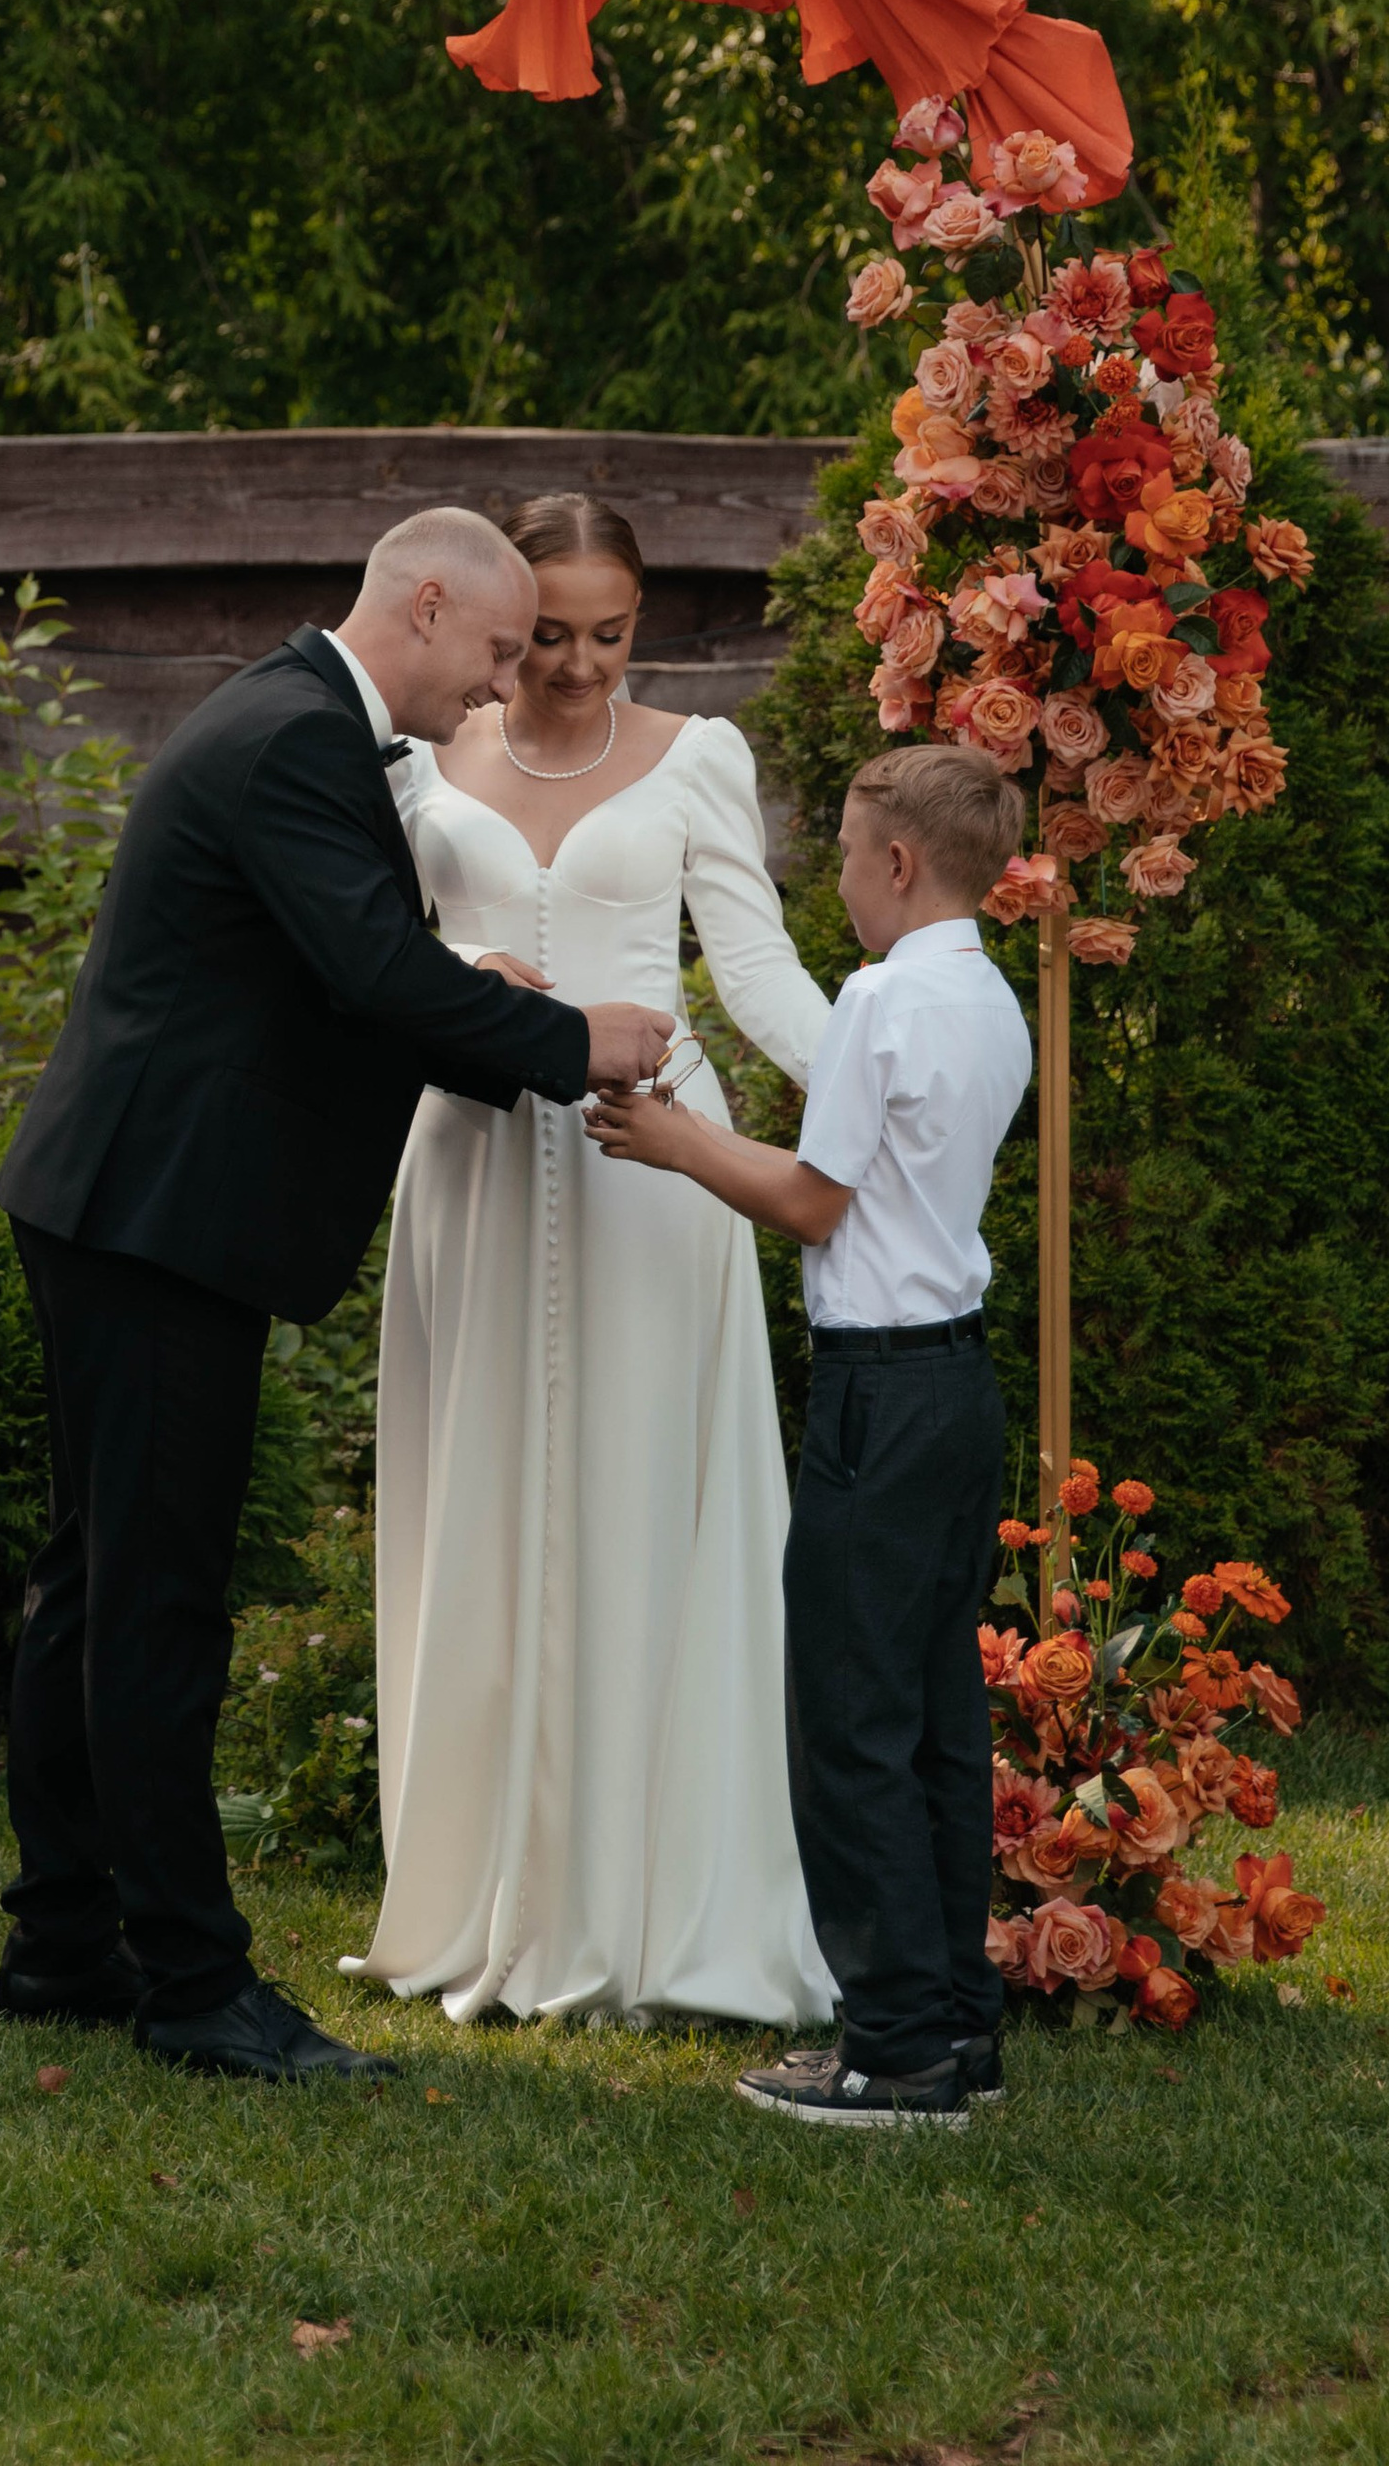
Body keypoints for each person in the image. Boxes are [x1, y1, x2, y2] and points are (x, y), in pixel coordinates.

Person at [0, 506, 677, 2084]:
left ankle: (61, 1942)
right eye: (499, 651)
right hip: (157, 1217)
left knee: (94, 1587)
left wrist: (466, 987)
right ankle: (192, 1989)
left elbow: (337, 961)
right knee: (153, 1606)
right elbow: (372, 976)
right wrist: (577, 1043)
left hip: (117, 1201)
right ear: (425, 606)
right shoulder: (299, 738)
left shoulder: (288, 715)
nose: (503, 693)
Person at [356, 493, 837, 2029]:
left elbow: (752, 967)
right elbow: (369, 950)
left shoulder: (701, 758)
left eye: (608, 634)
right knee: (479, 1503)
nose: (572, 665)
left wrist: (885, 1093)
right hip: (475, 1166)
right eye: (546, 633)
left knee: (649, 1505)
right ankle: (482, 1894)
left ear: (646, 619)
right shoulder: (422, 759)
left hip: (656, 1173)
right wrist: (451, 980)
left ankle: (660, 1901)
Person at [585, 739, 1032, 2130]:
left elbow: (813, 1201)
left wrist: (672, 1143)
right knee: (940, 1720)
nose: (837, 880)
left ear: (897, 862)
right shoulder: (996, 1000)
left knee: (852, 1725)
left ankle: (890, 2049)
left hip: (878, 1395)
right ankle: (958, 2027)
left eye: (841, 855)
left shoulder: (884, 997)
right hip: (960, 1392)